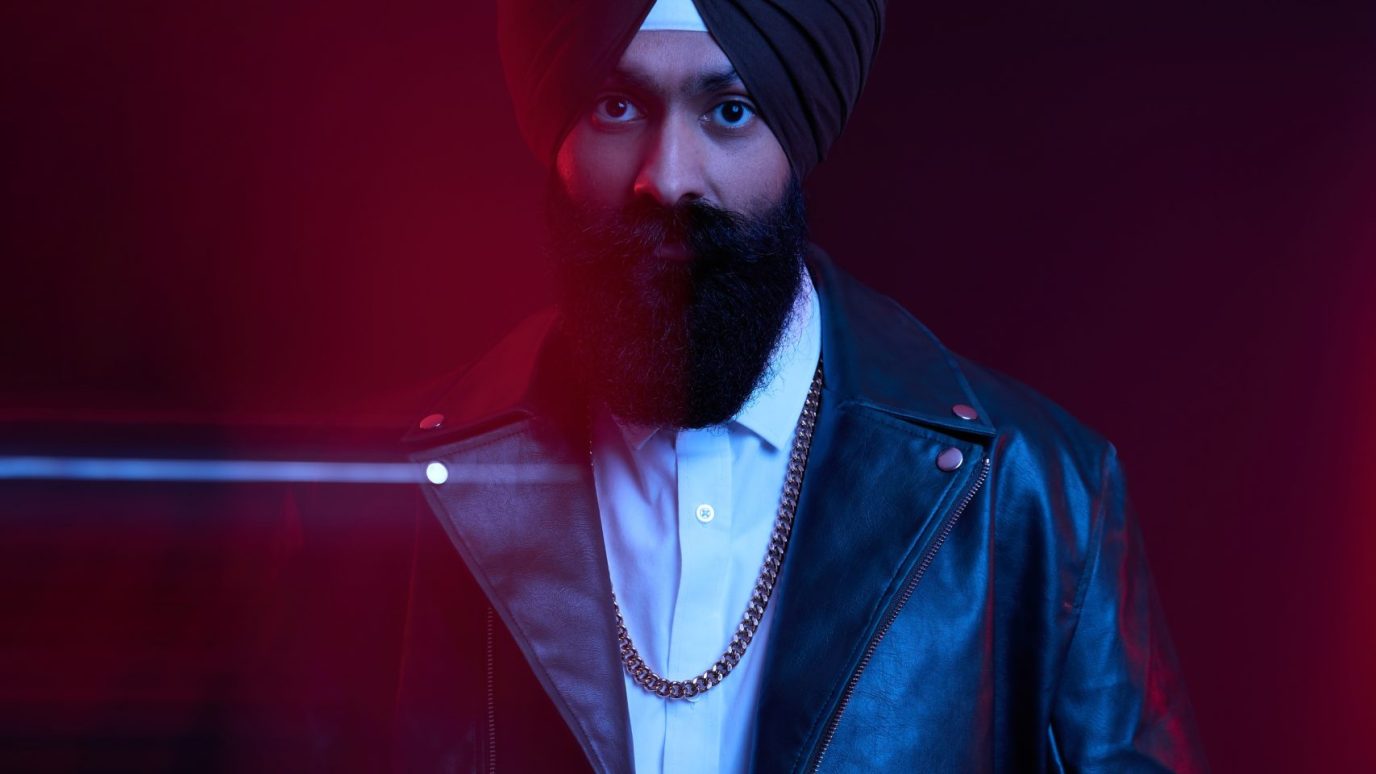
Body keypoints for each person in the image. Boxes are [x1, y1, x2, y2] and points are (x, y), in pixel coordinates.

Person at [382, 0, 1209, 771]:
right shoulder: (394, 491)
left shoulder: (1040, 493)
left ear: (796, 140)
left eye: (729, 111)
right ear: (556, 136)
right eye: (616, 106)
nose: (669, 179)